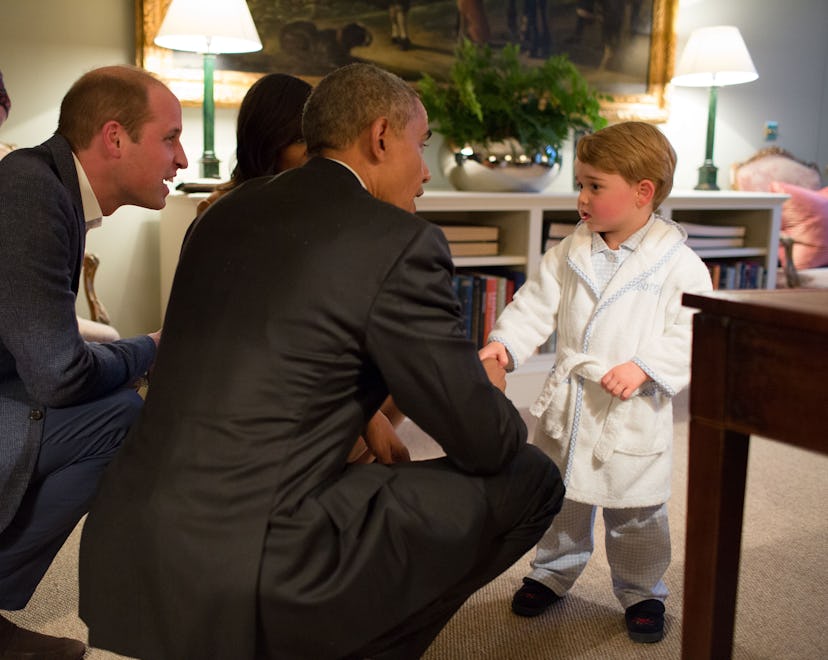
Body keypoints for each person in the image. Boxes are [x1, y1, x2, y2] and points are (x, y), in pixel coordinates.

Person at [78, 62, 564, 660]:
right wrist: (486, 387)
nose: (426, 171)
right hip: (256, 565)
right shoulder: (400, 243)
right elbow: (485, 443)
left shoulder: (221, 214)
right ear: (381, 137)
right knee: (533, 478)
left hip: (126, 544)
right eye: (422, 144)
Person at [479, 121, 712, 643]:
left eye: (594, 186)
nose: (581, 198)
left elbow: (691, 329)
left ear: (642, 192)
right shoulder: (570, 251)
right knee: (563, 499)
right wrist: (506, 344)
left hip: (631, 408)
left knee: (636, 512)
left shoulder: (678, 265)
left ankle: (643, 589)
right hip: (573, 401)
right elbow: (534, 302)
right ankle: (552, 572)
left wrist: (647, 366)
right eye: (579, 184)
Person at [0, 65, 187, 659]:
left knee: (117, 407)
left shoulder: (45, 185)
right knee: (119, 417)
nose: (180, 159)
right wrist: (153, 347)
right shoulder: (31, 191)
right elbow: (58, 376)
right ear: (114, 137)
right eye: (169, 137)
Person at [187, 71, 399, 465]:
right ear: (268, 143)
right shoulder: (224, 213)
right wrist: (364, 415)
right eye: (303, 141)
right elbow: (267, 342)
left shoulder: (317, 207)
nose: (315, 156)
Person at [193, 72, 313, 217]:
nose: (315, 151)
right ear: (268, 141)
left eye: (317, 138)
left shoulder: (324, 203)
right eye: (301, 140)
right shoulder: (218, 209)